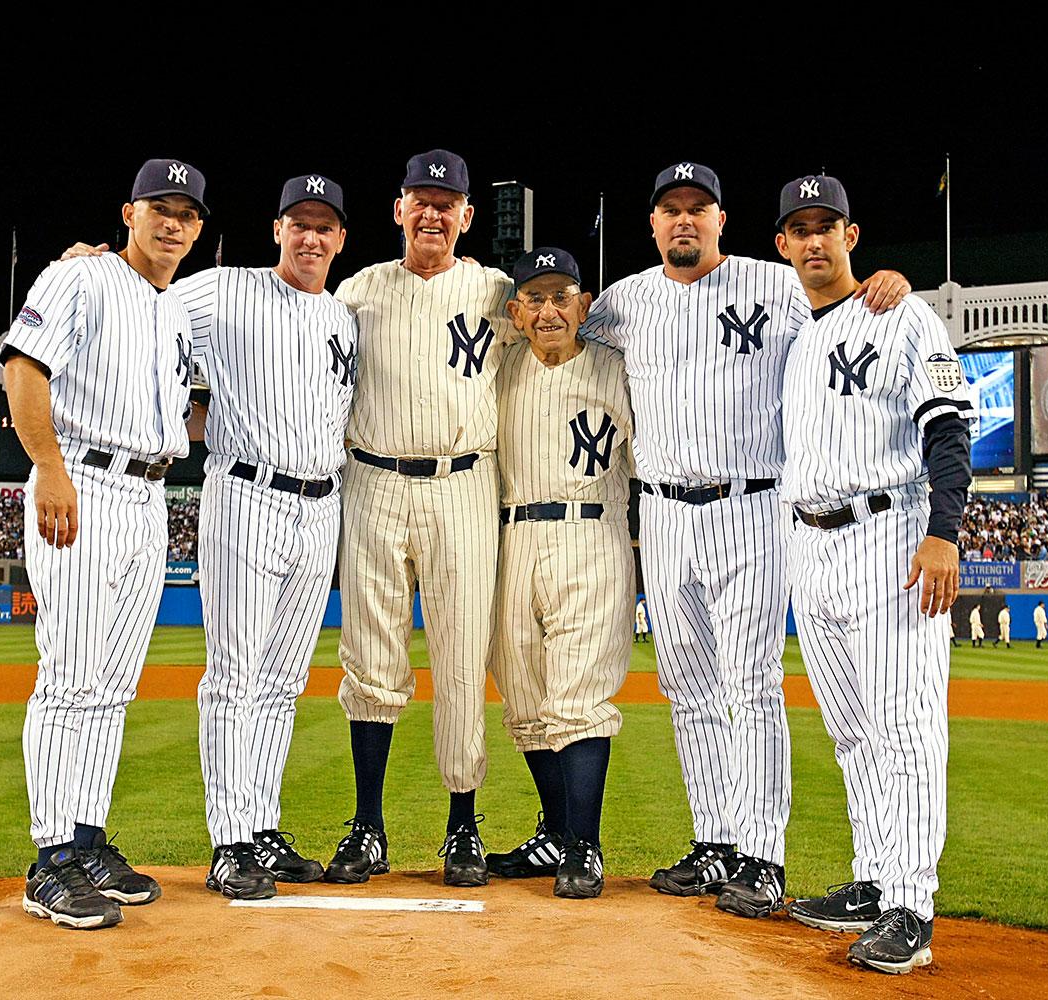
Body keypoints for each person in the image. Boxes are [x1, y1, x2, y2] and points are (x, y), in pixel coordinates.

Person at [581, 162, 909, 918]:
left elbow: (849, 301)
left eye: (700, 208)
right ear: (654, 224)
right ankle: (716, 841)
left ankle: (762, 854)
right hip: (659, 513)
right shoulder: (625, 302)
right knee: (688, 690)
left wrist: (885, 281)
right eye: (671, 209)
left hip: (751, 504)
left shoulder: (777, 284)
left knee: (751, 684)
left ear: (722, 220)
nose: (685, 220)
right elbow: (552, 327)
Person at [771, 174, 971, 975]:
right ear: (782, 245)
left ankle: (911, 908)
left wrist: (944, 534)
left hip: (889, 535)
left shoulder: (902, 313)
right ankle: (874, 876)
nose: (814, 240)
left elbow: (948, 424)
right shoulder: (799, 331)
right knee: (853, 730)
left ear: (852, 237)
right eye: (799, 228)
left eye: (829, 225)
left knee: (906, 726)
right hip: (810, 546)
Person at [1, 158, 206, 931]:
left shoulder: (177, 309)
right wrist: (48, 466)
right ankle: (49, 858)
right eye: (161, 207)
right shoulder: (79, 280)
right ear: (130, 213)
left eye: (187, 213)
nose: (173, 223)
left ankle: (86, 839)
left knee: (112, 684)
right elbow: (23, 368)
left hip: (150, 495)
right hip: (82, 480)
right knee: (70, 675)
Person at [327, 150, 515, 888]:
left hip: (463, 482)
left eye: (449, 203)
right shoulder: (358, 290)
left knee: (464, 658)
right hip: (372, 479)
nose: (434, 213)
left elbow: (572, 322)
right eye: (421, 200)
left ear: (467, 216)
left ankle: (462, 828)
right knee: (370, 657)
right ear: (399, 209)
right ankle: (366, 827)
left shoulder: (499, 292)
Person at [182, 175, 357, 899]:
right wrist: (88, 265)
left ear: (341, 238)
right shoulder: (224, 290)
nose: (311, 237)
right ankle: (229, 843)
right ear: (276, 229)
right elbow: (142, 300)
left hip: (322, 506)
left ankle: (260, 825)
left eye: (325, 226)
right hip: (248, 493)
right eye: (299, 223)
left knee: (282, 682)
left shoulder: (344, 319)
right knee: (235, 675)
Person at [482, 248, 633, 900]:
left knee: (579, 699)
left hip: (591, 531)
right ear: (516, 311)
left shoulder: (619, 371)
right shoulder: (496, 372)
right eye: (534, 299)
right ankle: (554, 831)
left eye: (560, 297)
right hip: (510, 538)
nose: (548, 311)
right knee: (525, 702)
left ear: (584, 305)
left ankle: (584, 847)